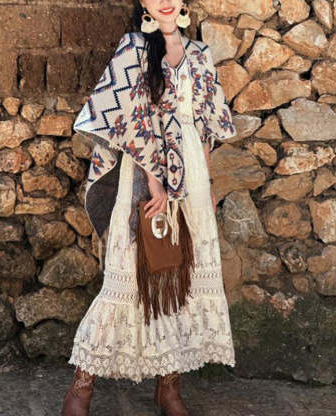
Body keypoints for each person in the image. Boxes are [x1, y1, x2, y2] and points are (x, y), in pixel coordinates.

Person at [62, 1, 237, 415]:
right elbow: (128, 120)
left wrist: (207, 186)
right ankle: (80, 390)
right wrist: (155, 181)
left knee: (182, 278)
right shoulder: (134, 48)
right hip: (144, 176)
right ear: (143, 2)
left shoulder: (199, 53)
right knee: (127, 277)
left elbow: (205, 128)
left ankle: (169, 390)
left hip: (192, 177)